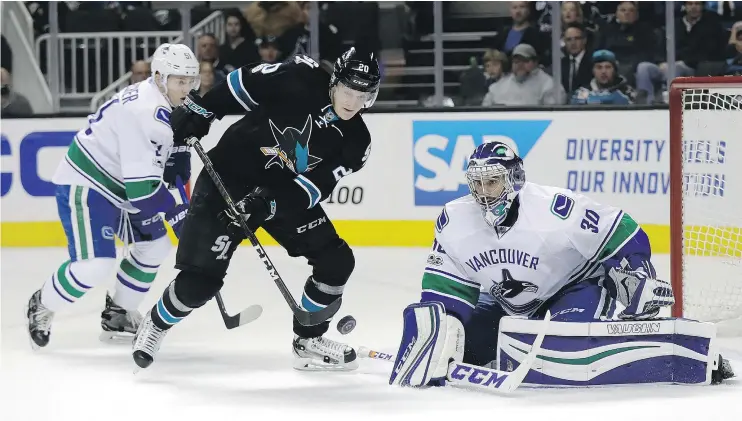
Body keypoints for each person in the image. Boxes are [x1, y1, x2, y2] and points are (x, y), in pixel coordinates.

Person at [388, 142, 734, 387]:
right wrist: (437, 335)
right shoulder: (453, 220)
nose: (483, 192)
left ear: (514, 179)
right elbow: (448, 294)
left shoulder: (556, 209)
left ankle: (662, 342)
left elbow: (623, 230)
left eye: (492, 181)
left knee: (565, 344)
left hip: (573, 288)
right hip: (510, 307)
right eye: (476, 182)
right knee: (470, 349)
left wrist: (636, 275)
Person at [131, 47, 380, 372]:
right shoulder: (299, 78)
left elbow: (312, 188)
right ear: (335, 82)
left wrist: (268, 203)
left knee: (336, 261)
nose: (353, 103)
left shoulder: (357, 142)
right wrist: (200, 110)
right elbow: (240, 84)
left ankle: (308, 341)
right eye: (348, 92)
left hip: (279, 195)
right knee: (199, 284)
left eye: (363, 97)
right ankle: (155, 325)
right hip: (229, 176)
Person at [24, 43, 196, 348]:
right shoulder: (147, 113)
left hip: (123, 182)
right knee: (95, 265)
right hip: (89, 182)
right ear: (159, 78)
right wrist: (176, 212)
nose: (186, 88)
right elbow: (143, 192)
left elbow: (162, 167)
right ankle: (43, 302)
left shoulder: (162, 99)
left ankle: (118, 313)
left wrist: (178, 155)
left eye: (190, 80)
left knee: (155, 246)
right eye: (179, 80)